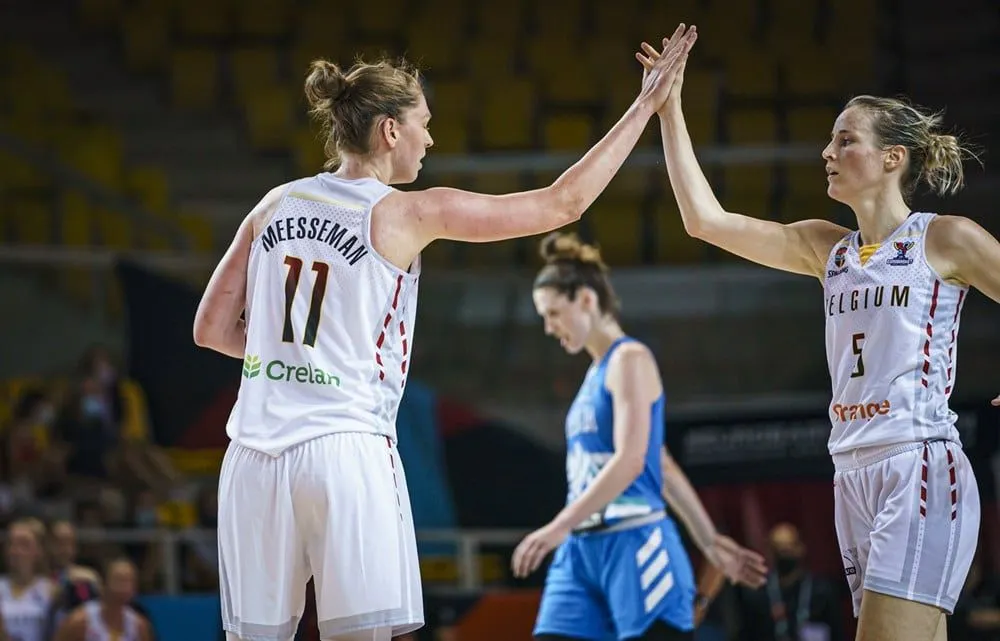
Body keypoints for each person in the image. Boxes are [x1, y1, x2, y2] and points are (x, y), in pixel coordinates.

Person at [192, 23, 698, 641]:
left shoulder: (274, 203)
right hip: (344, 446)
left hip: (251, 455)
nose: (430, 138)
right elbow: (562, 204)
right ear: (389, 130)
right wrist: (646, 104)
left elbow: (211, 328)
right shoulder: (406, 212)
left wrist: (290, 359)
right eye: (423, 123)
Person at [636, 33, 1000, 641]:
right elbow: (704, 221)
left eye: (844, 139)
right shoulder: (824, 247)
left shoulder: (945, 239)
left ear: (893, 158)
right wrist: (669, 110)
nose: (825, 150)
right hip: (851, 471)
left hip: (918, 462)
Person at [512, 232, 766, 641]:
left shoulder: (630, 358)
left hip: (635, 541)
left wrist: (559, 524)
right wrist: (709, 538)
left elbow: (634, 461)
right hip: (582, 549)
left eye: (554, 313)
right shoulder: (593, 374)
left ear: (587, 300)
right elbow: (659, 461)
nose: (548, 327)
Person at [735, 523, 845, 641]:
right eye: (779, 549)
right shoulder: (757, 595)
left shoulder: (821, 592)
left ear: (801, 548)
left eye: (788, 548)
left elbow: (837, 633)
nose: (784, 553)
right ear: (770, 551)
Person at [54, 557, 152, 641]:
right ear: (104, 585)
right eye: (119, 581)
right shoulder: (80, 622)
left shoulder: (139, 626)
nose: (125, 587)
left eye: (129, 581)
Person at [0, 519, 55, 641]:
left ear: (39, 550)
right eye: (11, 544)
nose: (15, 551)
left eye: (24, 544)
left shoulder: (51, 590)